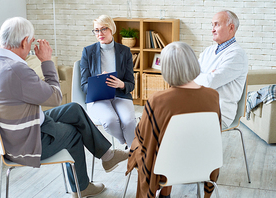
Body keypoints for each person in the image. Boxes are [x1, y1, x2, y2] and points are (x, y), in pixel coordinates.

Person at [0, 17, 129, 198]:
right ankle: (81, 187)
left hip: (15, 133)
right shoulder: (18, 70)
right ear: (24, 41)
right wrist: (46, 61)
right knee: (74, 133)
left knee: (74, 109)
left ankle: (107, 156)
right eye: (31, 41)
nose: (31, 46)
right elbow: (55, 97)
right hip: (28, 143)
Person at [126, 41, 222, 198]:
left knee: (140, 141)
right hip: (203, 164)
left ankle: (164, 194)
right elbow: (214, 135)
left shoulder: (157, 100)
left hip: (164, 168)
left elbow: (146, 137)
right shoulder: (213, 96)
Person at [80, 15, 136, 147]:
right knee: (110, 120)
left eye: (103, 29)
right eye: (96, 30)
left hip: (120, 94)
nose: (100, 33)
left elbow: (131, 84)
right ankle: (127, 144)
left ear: (111, 29)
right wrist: (98, 82)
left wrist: (121, 84)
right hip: (98, 97)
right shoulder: (88, 52)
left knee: (128, 121)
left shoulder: (125, 51)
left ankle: (134, 152)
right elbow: (84, 85)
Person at [194, 10, 248, 128]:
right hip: (198, 106)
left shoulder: (237, 55)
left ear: (231, 27)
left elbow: (209, 82)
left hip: (218, 113)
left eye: (217, 24)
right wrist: (208, 75)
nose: (212, 29)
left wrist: (203, 77)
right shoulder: (208, 51)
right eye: (212, 25)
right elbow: (190, 74)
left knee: (174, 124)